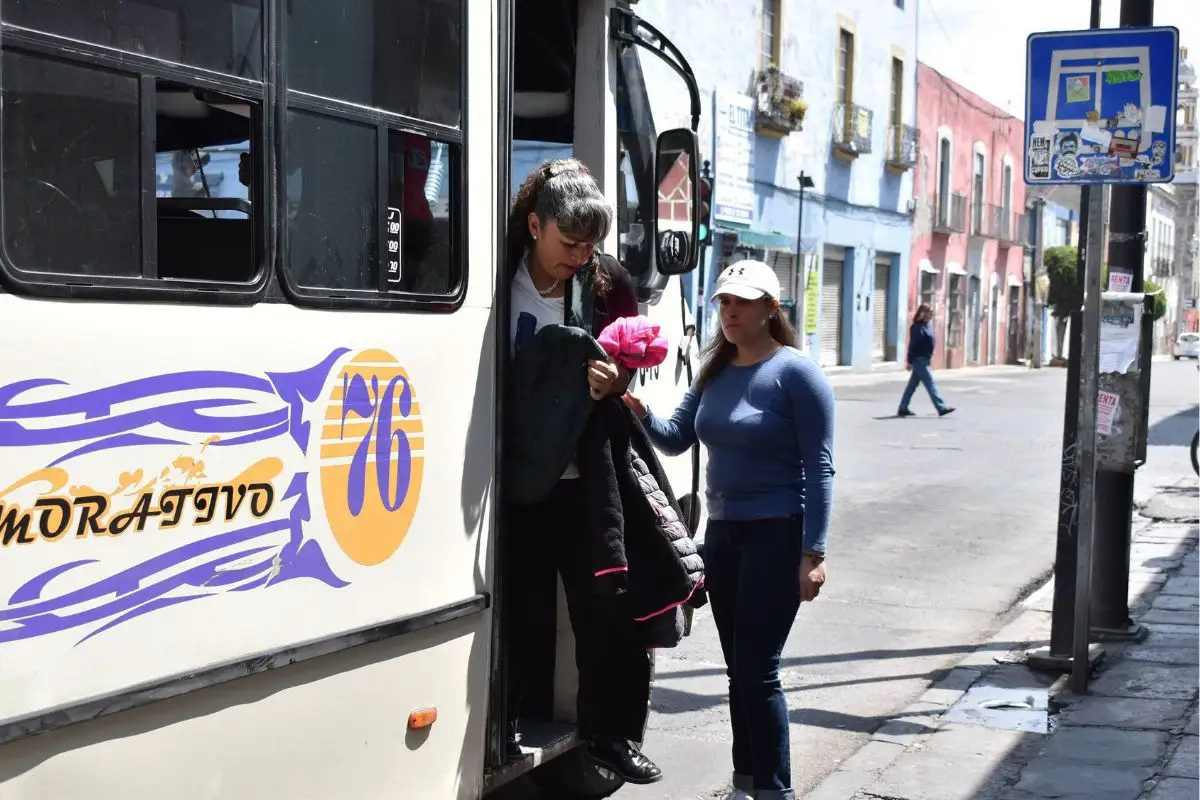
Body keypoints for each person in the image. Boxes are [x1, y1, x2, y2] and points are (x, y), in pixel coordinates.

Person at [623, 259, 836, 800]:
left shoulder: (797, 374)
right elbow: (674, 437)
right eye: (724, 301)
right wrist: (636, 408)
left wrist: (814, 552)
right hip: (723, 537)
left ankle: (774, 790)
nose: (731, 311)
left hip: (776, 535)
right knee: (737, 671)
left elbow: (820, 467)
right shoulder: (714, 369)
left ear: (772, 309)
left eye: (743, 302)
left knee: (758, 670)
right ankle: (746, 784)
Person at [503, 158, 663, 785]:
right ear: (535, 226)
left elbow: (631, 364)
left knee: (607, 609)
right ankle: (506, 725)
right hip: (513, 476)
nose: (578, 257)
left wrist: (617, 380)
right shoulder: (492, 271)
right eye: (567, 244)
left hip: (584, 478)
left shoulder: (606, 283)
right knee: (523, 609)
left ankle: (609, 737)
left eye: (588, 247)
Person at [898, 304, 955, 418]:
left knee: (912, 385)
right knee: (930, 383)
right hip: (918, 359)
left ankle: (903, 407)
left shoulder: (927, 326)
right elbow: (912, 345)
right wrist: (909, 361)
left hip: (925, 359)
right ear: (923, 313)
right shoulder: (916, 327)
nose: (932, 314)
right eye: (930, 312)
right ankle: (941, 407)